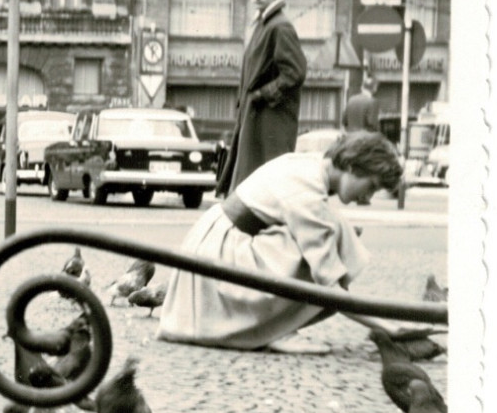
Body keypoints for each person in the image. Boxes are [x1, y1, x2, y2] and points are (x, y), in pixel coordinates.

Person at [158, 132, 403, 354]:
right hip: (221, 262)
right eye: (371, 186)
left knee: (332, 228)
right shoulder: (307, 193)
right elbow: (330, 285)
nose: (368, 198)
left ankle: (274, 327)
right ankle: (276, 330)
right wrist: (388, 327)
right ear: (351, 166)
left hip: (215, 244)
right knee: (322, 245)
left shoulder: (310, 165)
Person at [213, 0, 307, 197]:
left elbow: (294, 73)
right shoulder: (263, 25)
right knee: (252, 188)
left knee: (263, 188)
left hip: (269, 124)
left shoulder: (279, 26)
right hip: (256, 119)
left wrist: (261, 95)